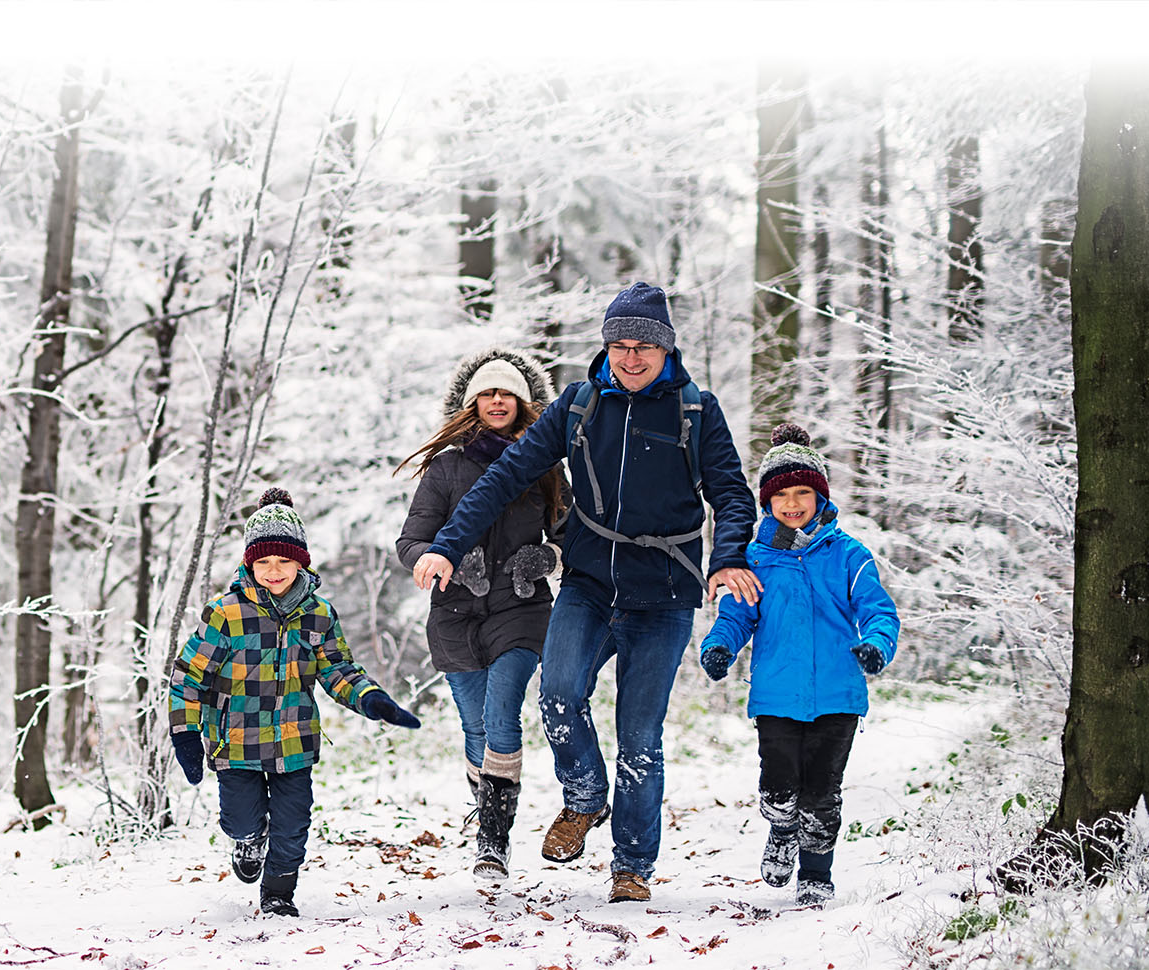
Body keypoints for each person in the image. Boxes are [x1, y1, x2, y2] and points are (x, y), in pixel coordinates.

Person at [411, 282, 760, 904]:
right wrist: (444, 542)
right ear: (605, 346)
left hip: (666, 591)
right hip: (590, 582)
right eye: (620, 345)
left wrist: (727, 557)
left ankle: (631, 866)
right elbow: (502, 477)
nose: (630, 358)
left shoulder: (695, 410)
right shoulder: (577, 406)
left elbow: (731, 494)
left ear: (665, 350)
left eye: (643, 348)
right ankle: (583, 797)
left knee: (639, 733)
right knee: (559, 691)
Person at [170, 488, 423, 918]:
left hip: (294, 742)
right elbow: (189, 674)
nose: (273, 571)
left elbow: (337, 669)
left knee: (293, 827)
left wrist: (372, 699)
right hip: (234, 744)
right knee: (241, 820)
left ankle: (278, 894)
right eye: (263, 562)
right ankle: (249, 841)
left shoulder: (319, 614)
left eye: (284, 561)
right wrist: (185, 733)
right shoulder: (225, 613)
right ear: (249, 562)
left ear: (301, 562)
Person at [695, 423, 900, 906]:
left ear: (820, 495)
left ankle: (816, 874)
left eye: (803, 491)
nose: (792, 503)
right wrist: (720, 645)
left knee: (822, 793)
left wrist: (875, 644)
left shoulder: (849, 555)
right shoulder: (754, 558)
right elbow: (737, 615)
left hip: (838, 695)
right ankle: (781, 828)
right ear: (766, 503)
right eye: (781, 494)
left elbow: (878, 610)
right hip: (777, 694)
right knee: (779, 785)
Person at [394, 347, 565, 881]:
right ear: (472, 403)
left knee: (500, 713)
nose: (497, 401)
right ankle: (491, 803)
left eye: (507, 393)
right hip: (455, 614)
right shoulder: (445, 468)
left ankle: (493, 836)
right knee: (474, 728)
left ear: (522, 402)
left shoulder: (544, 465)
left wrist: (548, 557)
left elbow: (570, 537)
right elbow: (410, 540)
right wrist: (437, 560)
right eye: (488, 393)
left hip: (521, 606)